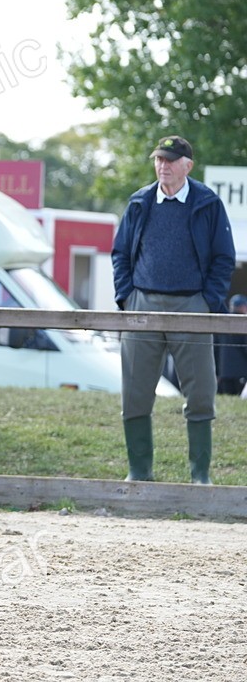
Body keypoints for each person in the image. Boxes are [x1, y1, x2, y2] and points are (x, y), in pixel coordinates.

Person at [112, 136, 235, 484]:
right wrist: (127, 297)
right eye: (159, 159)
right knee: (135, 392)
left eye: (170, 160)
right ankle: (139, 474)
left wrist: (208, 302)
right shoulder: (139, 201)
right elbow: (120, 253)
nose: (163, 166)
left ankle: (200, 477)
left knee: (201, 393)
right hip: (143, 305)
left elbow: (224, 257)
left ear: (187, 166)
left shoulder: (208, 203)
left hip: (192, 305)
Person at [217, 294, 247, 396]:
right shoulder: (243, 323)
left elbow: (215, 349)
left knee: (227, 401)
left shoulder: (222, 324)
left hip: (224, 374)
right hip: (241, 373)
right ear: (243, 307)